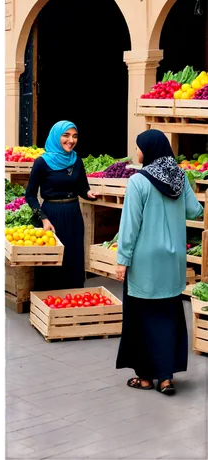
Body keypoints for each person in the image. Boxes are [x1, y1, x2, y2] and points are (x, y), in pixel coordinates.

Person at [115, 129, 204, 396]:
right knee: (168, 316)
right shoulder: (179, 176)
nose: (137, 152)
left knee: (141, 317)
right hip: (173, 258)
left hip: (144, 260)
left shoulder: (138, 181)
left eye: (139, 147)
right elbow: (195, 211)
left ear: (149, 150)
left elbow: (129, 227)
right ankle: (166, 378)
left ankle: (144, 378)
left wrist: (122, 260)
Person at [25, 120, 98, 291]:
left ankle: (72, 302)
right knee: (52, 259)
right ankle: (47, 304)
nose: (71, 140)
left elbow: (82, 187)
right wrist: (43, 219)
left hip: (73, 214)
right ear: (56, 137)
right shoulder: (41, 162)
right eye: (66, 135)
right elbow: (30, 195)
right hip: (51, 216)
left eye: (74, 136)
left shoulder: (77, 160)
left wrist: (88, 193)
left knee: (73, 257)